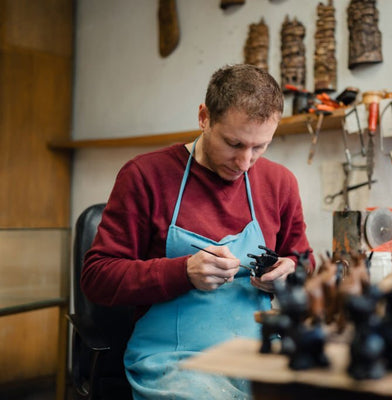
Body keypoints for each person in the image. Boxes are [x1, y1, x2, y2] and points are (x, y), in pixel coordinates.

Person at [81, 64, 314, 399]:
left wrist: (289, 275)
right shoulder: (145, 176)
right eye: (233, 143)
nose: (245, 162)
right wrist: (182, 272)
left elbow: (303, 261)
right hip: (176, 363)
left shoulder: (280, 183)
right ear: (204, 117)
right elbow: (97, 278)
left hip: (258, 352)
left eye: (260, 147)